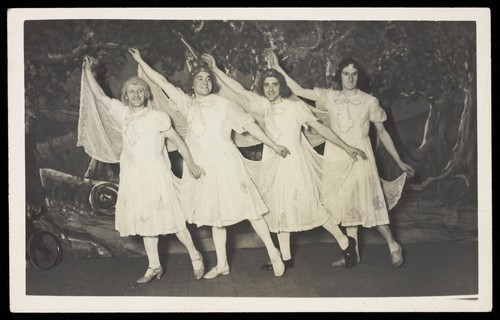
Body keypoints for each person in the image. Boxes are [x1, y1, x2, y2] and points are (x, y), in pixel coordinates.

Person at [129, 48, 289, 278]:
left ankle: (274, 254)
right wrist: (140, 61)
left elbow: (250, 126)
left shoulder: (223, 104)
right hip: (202, 166)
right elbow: (162, 82)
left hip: (225, 163)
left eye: (207, 79)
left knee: (251, 209)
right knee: (216, 216)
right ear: (191, 84)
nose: (204, 82)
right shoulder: (187, 103)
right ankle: (222, 263)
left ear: (212, 83)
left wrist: (273, 145)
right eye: (199, 79)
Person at [203, 53, 367, 271]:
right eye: (267, 85)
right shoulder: (264, 106)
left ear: (282, 86)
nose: (271, 89)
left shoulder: (295, 107)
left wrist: (346, 147)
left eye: (275, 84)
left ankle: (346, 243)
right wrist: (215, 70)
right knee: (278, 208)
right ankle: (285, 257)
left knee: (311, 206)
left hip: (294, 163)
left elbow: (321, 128)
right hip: (273, 162)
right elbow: (239, 91)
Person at [267, 51, 415, 268]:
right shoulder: (331, 97)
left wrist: (400, 162)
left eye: (354, 74)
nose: (350, 78)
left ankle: (393, 245)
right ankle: (352, 254)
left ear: (359, 77)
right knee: (345, 205)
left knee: (370, 203)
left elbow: (382, 133)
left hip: (361, 154)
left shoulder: (369, 101)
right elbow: (298, 90)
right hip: (336, 152)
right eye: (346, 74)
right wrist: (278, 68)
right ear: (340, 76)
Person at [81, 56, 206, 283]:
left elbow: (178, 141)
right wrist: (88, 70)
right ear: (125, 95)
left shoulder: (158, 117)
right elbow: (99, 95)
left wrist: (191, 163)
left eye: (140, 90)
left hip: (156, 175)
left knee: (174, 220)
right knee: (148, 224)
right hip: (133, 176)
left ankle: (195, 255)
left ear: (146, 94)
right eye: (131, 91)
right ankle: (154, 265)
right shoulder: (121, 113)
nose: (136, 94)